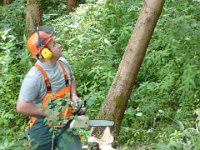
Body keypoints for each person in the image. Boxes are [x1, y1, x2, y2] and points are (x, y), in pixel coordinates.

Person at [16, 26, 82, 150]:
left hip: (64, 120)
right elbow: (21, 106)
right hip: (42, 125)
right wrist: (49, 113)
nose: (59, 45)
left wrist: (74, 95)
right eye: (54, 44)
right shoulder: (34, 77)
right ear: (46, 52)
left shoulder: (63, 63)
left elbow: (71, 79)